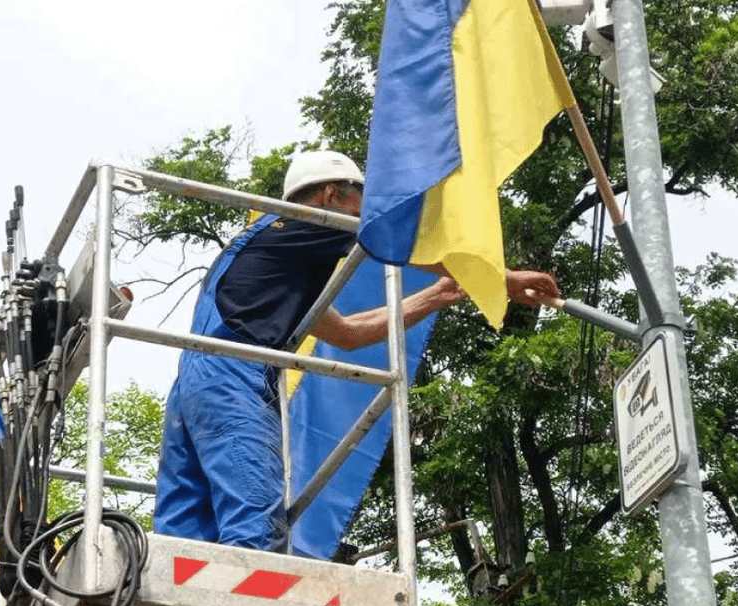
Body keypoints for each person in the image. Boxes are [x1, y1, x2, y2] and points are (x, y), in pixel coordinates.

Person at [153, 150, 559, 553]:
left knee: (183, 537)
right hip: (234, 382)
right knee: (254, 526)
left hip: (194, 388)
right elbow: (396, 239)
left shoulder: (274, 256)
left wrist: (436, 296)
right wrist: (501, 279)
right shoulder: (302, 224)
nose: (361, 213)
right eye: (359, 202)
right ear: (331, 195)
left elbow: (347, 333)